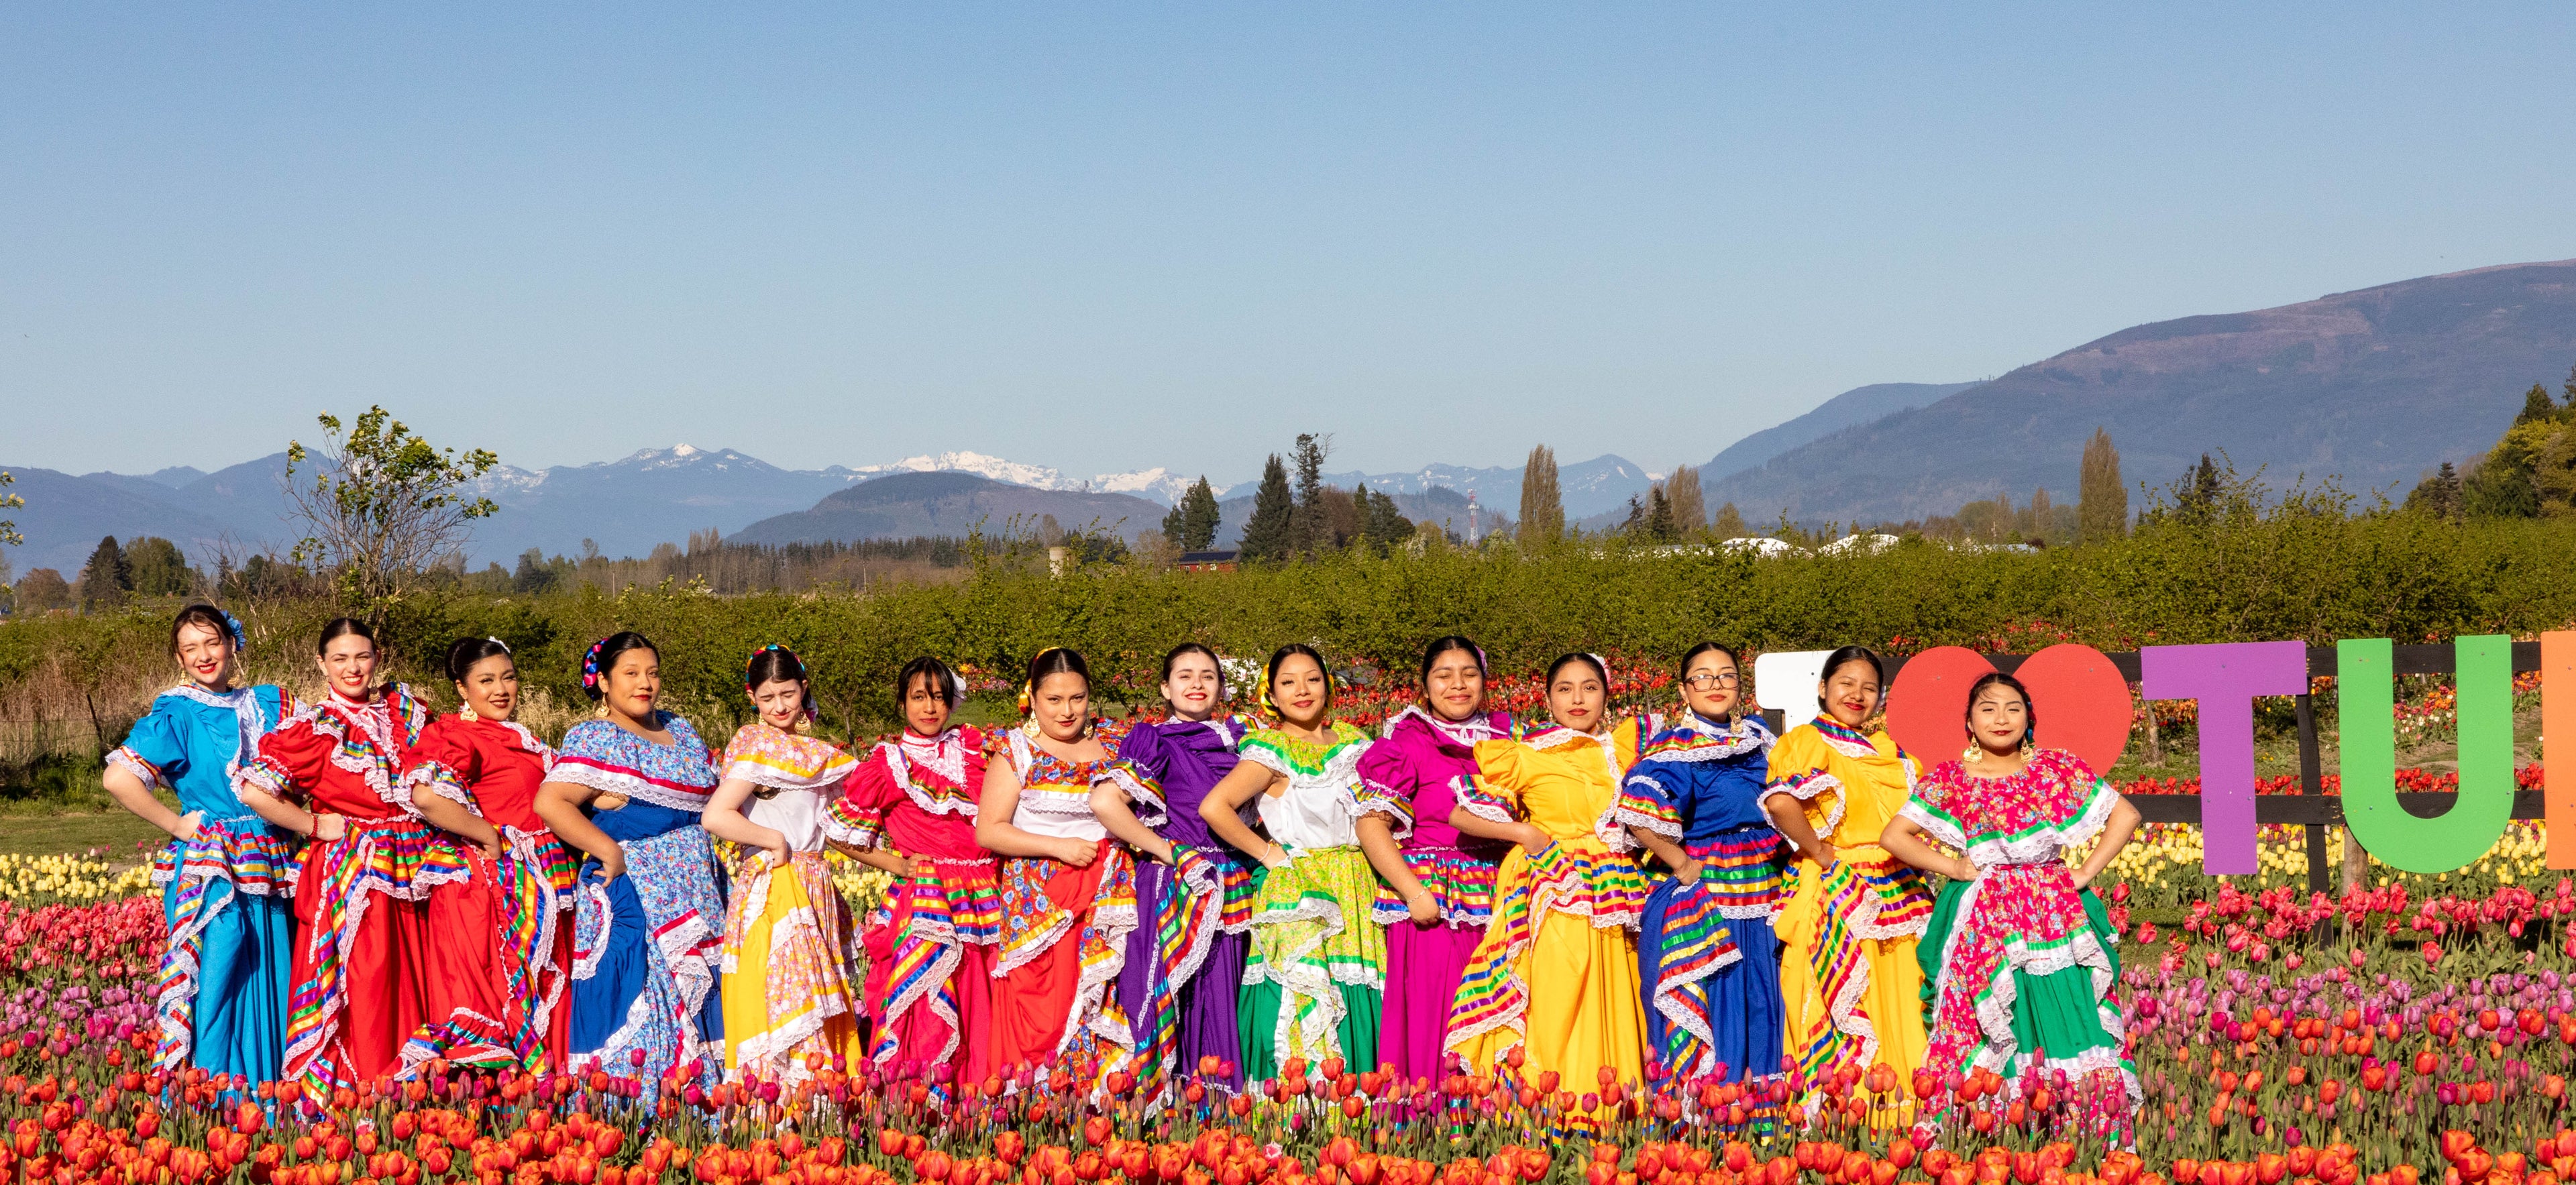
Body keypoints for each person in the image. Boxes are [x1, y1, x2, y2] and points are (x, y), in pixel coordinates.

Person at [1882, 671, 2143, 1113]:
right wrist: (1955, 866)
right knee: (1996, 1012)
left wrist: (2083, 872)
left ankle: (2075, 1122)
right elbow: (1895, 835)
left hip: (2053, 911)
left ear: (2029, 718)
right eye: (1988, 708)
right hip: (1987, 914)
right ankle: (1998, 1126)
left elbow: (2127, 813)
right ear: (1969, 721)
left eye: (2013, 708)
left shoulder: (2056, 769)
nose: (2001, 718)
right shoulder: (1953, 777)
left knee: (2066, 1005)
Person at [1445, 653, 1656, 1111]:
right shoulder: (1524, 752)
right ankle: (1554, 1113)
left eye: (1589, 687)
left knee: (1617, 994)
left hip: (1617, 888)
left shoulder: (1624, 748)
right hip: (1554, 886)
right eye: (1565, 688)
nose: (1578, 699)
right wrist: (1524, 833)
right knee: (1559, 995)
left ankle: (1613, 1116)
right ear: (1546, 697)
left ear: (1607, 694)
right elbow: (1460, 811)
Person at [232, 618, 435, 1092]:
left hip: (416, 865)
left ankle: (417, 1087)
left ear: (377, 657)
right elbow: (254, 788)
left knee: (415, 975)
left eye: (362, 656)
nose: (353, 668)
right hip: (354, 873)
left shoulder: (404, 710)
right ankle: (360, 1090)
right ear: (322, 663)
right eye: (340, 658)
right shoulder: (314, 727)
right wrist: (312, 824)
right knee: (366, 979)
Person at [102, 604, 296, 1083]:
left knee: (271, 966)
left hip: (270, 852)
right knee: (221, 968)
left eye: (212, 642)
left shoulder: (269, 702)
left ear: (233, 644)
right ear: (179, 657)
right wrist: (178, 824)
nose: (204, 655)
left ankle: (271, 1087)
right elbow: (118, 778)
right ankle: (215, 1090)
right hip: (215, 863)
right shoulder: (177, 711)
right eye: (191, 648)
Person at [533, 632, 727, 1096]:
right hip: (634, 891)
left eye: (653, 673)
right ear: (603, 682)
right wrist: (609, 850)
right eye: (631, 673)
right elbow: (550, 800)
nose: (645, 684)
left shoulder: (681, 729)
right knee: (644, 995)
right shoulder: (597, 736)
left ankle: (699, 1111)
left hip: (696, 889)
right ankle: (639, 1115)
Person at [1197, 644, 1382, 1078]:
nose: (1302, 690)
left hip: (1357, 883)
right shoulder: (1272, 749)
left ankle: (1359, 1109)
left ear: (1328, 685)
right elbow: (1215, 806)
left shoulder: (1356, 743)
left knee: (1355, 986)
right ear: (1272, 694)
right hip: (1304, 888)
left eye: (1313, 679)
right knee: (1307, 992)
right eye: (1288, 682)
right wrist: (1268, 853)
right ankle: (1304, 1114)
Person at [396, 636, 579, 1072]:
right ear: (462, 688)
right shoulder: (459, 734)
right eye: (486, 680)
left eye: (509, 677)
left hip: (535, 883)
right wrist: (488, 835)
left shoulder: (520, 735)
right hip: (487, 893)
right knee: (492, 1003)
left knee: (533, 999)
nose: (501, 689)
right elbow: (424, 794)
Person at [1763, 644, 1933, 1090]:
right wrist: (1819, 850)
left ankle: (1903, 1104)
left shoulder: (1889, 751)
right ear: (1823, 688)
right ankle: (1848, 1111)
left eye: (1869, 687)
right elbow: (1781, 801)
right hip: (1839, 886)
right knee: (1843, 992)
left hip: (1897, 887)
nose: (1857, 694)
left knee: (1899, 992)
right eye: (1846, 684)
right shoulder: (1808, 741)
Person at [1617, 643, 1782, 1084]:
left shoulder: (1760, 739)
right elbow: (1635, 809)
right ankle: (1715, 1117)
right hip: (1712, 895)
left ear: (1739, 685)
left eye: (1726, 675)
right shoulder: (1676, 747)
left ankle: (1764, 1120)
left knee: (1763, 994)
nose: (1716, 685)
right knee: (1721, 994)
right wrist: (1679, 860)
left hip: (1765, 886)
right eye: (1703, 677)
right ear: (1684, 688)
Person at [975, 648, 1143, 1077]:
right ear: (1032, 698)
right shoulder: (1016, 751)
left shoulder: (1115, 743)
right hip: (1040, 899)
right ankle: (1035, 1107)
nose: (1068, 711)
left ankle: (1094, 1104)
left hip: (1107, 895)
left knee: (1102, 994)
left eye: (1078, 698)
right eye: (1054, 700)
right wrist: (1059, 846)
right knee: (1042, 1006)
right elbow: (989, 830)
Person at [827, 657, 996, 1084]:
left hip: (984, 895)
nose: (929, 708)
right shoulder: (888, 764)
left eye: (938, 698)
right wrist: (899, 864)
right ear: (902, 703)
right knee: (929, 1001)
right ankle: (926, 1104)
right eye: (919, 697)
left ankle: (976, 1098)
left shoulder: (975, 752)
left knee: (980, 993)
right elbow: (839, 835)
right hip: (928, 900)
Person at [1095, 643, 1255, 1092]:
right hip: (1176, 882)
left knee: (1222, 991)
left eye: (1208, 675)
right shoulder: (1156, 739)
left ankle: (1215, 1113)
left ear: (1222, 687)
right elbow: (1106, 802)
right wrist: (1168, 852)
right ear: (1166, 687)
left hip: (1231, 881)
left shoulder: (1242, 739)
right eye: (1185, 675)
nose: (1197, 684)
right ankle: (1161, 1111)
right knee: (1169, 993)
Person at [1351, 635, 1511, 1086]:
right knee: (1440, 1012)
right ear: (1425, 684)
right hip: (1438, 902)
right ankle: (1435, 1127)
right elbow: (1370, 824)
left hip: (1500, 894)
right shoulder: (1409, 739)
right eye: (1444, 675)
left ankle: (1496, 1126)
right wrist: (1413, 892)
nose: (1457, 685)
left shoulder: (1506, 736)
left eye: (1469, 674)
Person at [704, 646, 865, 1084]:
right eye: (768, 696)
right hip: (773, 886)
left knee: (815, 994)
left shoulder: (816, 754)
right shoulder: (756, 748)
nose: (779, 706)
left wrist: (897, 863)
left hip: (814, 885)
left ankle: (822, 1114)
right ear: (752, 696)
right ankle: (784, 1109)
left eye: (788, 694)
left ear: (804, 690)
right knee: (782, 995)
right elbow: (716, 815)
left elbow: (836, 829)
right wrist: (770, 838)